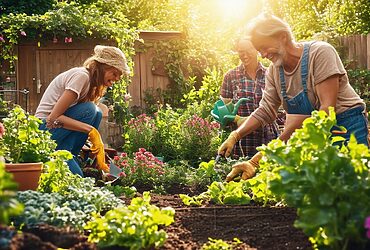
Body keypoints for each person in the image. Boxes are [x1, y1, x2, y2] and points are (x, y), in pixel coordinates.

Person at [219, 14, 369, 181]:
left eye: (264, 47)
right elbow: (265, 111)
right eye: (259, 49)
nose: (262, 54)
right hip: (312, 132)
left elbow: (327, 111)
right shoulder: (275, 72)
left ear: (282, 37)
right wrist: (235, 136)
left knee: (353, 186)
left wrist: (261, 157)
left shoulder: (320, 53)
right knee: (321, 194)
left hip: (346, 126)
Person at [35, 45, 130, 176]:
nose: (117, 78)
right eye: (114, 73)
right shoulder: (81, 76)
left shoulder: (92, 84)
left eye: (120, 75)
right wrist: (91, 131)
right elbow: (54, 118)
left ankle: (73, 157)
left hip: (56, 130)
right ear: (103, 67)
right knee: (90, 110)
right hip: (42, 129)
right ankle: (64, 155)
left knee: (97, 113)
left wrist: (98, 155)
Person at [220, 38, 281, 159]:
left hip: (268, 137)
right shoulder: (231, 77)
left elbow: (280, 108)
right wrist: (237, 119)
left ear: (257, 50)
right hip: (243, 140)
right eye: (241, 51)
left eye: (248, 50)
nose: (244, 54)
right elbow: (222, 111)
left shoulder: (270, 74)